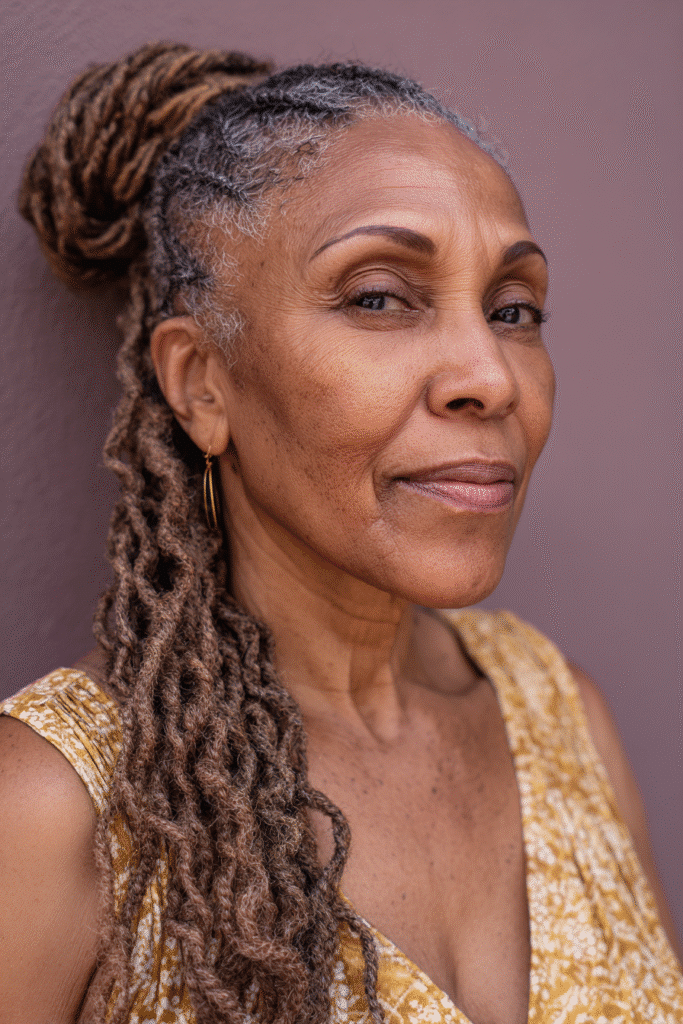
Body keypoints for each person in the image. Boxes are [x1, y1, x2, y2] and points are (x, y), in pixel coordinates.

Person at [0, 41, 681, 1024]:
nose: (487, 374)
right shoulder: (56, 807)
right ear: (201, 383)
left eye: (512, 307)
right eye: (377, 296)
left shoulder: (559, 715)